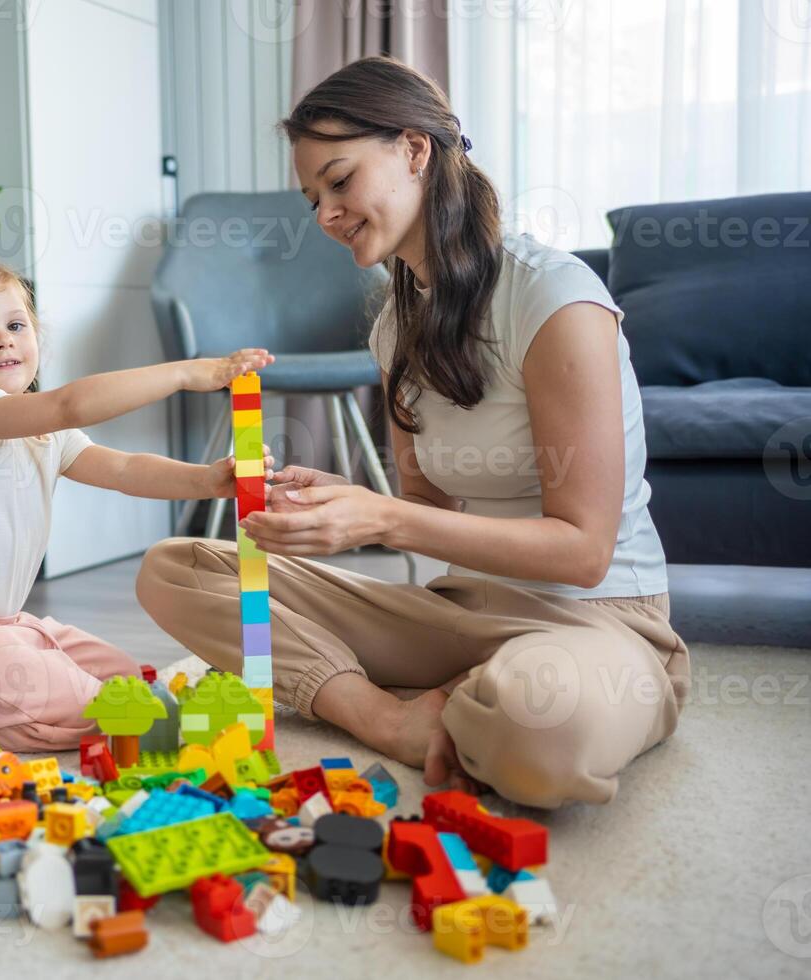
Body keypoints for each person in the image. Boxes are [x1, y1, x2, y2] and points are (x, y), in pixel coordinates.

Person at [136, 57, 689, 809]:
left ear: (414, 150)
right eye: (313, 199)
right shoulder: (395, 326)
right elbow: (434, 516)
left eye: (339, 180)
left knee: (540, 731)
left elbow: (585, 552)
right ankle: (389, 716)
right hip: (459, 613)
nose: (326, 214)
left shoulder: (555, 296)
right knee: (176, 569)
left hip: (597, 622)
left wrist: (385, 516)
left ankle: (481, 698)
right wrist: (344, 501)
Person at [0, 258, 274, 752]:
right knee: (103, 711)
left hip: (8, 629)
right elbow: (69, 403)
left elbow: (125, 470)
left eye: (16, 325)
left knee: (125, 678)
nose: (3, 340)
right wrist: (186, 373)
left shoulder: (48, 434)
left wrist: (209, 480)